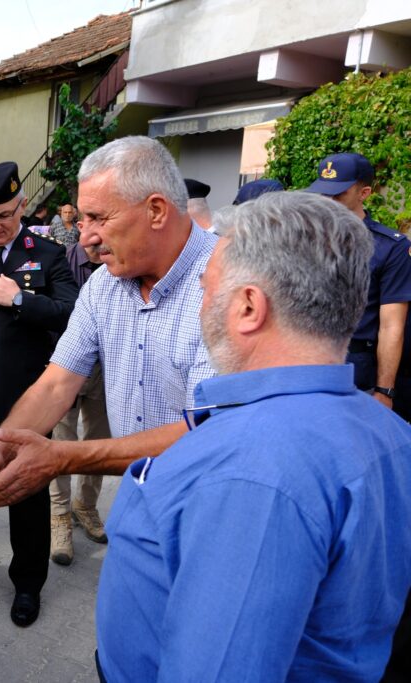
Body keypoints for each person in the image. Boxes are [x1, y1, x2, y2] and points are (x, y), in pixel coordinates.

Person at [96, 191, 411, 681]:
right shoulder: (390, 430)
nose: (202, 307)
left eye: (206, 289)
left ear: (247, 307)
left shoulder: (251, 474)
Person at [0, 136, 217, 517]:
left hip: (210, 502)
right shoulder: (103, 284)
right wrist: (1, 447)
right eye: (83, 219)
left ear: (157, 211)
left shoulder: (225, 282)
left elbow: (208, 429)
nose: (85, 237)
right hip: (139, 497)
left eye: (99, 218)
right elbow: (57, 383)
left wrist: (63, 456)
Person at [0, 161, 78, 627]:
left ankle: (27, 583)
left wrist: (21, 300)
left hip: (24, 397)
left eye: (3, 215)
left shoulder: (45, 254)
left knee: (26, 491)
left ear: (22, 207)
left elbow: (72, 313)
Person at [304, 153, 411, 407]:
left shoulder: (390, 247)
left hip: (355, 365)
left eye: (338, 195)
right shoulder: (305, 238)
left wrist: (385, 390)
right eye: (323, 193)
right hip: (304, 358)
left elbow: (391, 327)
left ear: (364, 193)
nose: (328, 201)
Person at [49, 239, 110, 566]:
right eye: (87, 218)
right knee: (61, 443)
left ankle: (85, 506)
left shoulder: (121, 260)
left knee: (98, 443)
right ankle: (59, 516)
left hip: (109, 368)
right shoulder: (59, 260)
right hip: (67, 367)